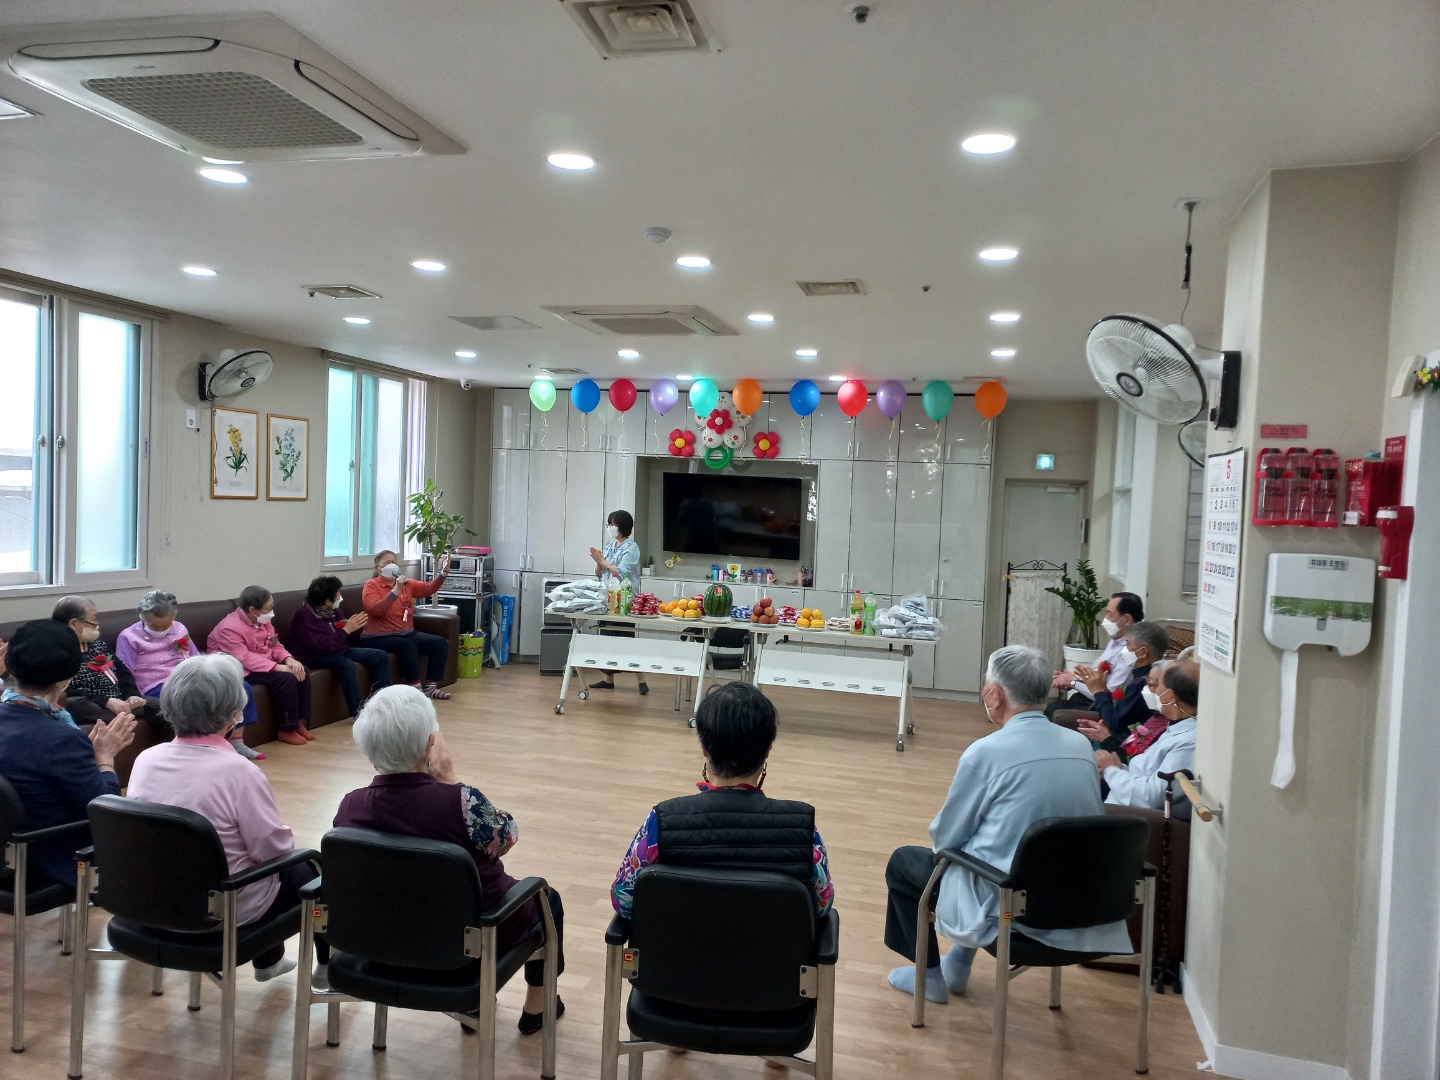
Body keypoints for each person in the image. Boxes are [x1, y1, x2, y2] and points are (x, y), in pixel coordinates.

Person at [883, 644, 1133, 1004]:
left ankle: (930, 977)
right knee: (994, 849)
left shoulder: (986, 752)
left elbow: (946, 839)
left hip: (1014, 905)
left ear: (994, 694)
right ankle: (957, 963)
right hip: (1083, 898)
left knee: (907, 862)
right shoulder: (1080, 746)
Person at [335, 685, 563, 1032]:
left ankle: (473, 1005)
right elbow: (506, 837)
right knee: (549, 899)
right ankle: (537, 1008)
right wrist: (450, 779)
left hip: (382, 936)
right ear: (431, 744)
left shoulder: (350, 806)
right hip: (469, 937)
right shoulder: (461, 802)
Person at [127, 655, 325, 982]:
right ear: (235, 712)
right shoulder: (239, 772)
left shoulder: (146, 759)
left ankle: (271, 959)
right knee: (308, 868)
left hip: (153, 899)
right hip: (220, 909)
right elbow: (272, 850)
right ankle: (326, 968)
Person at [611, 681, 834, 917]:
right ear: (768, 748)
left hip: (682, 941)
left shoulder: (661, 822)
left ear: (704, 748)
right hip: (772, 942)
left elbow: (623, 901)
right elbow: (821, 905)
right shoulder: (802, 828)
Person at [0, 620, 135, 888]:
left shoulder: (58, 736)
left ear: (11, 667)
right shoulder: (62, 738)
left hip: (9, 853)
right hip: (51, 860)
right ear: (66, 679)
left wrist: (84, 754)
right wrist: (104, 758)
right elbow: (104, 809)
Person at [116, 589, 263, 760]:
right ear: (143, 617)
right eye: (155, 626)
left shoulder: (179, 628)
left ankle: (236, 742)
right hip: (155, 685)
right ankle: (202, 749)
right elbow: (124, 671)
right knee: (198, 698)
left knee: (241, 687)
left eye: (166, 625)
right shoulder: (129, 637)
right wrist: (132, 695)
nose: (162, 630)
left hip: (189, 676)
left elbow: (195, 657)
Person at [208, 586, 314, 747]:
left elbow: (274, 643)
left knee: (301, 670)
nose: (272, 612)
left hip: (263, 662)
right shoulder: (228, 628)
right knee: (285, 679)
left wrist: (288, 659)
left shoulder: (263, 620)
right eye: (268, 608)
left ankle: (299, 722)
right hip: (238, 669)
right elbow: (244, 658)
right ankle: (287, 729)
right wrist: (278, 667)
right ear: (253, 610)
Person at [51, 595, 168, 733]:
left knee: (164, 707)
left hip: (120, 699)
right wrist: (106, 701)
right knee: (74, 704)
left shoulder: (98, 644)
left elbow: (122, 671)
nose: (97, 625)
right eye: (93, 620)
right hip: (93, 704)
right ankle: (122, 715)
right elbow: (63, 689)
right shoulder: (58, 652)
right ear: (74, 624)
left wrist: (132, 695)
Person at [1099, 660, 1199, 810]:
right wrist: (1117, 768)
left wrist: (1111, 770)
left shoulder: (1188, 743)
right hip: (1117, 799)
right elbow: (1145, 773)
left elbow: (1151, 796)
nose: (1154, 691)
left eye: (1157, 685)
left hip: (1127, 815)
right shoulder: (1176, 726)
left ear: (1170, 696)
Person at [288, 575, 392, 719]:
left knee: (380, 656)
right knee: (346, 665)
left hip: (338, 650)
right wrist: (346, 630)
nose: (340, 596)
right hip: (313, 656)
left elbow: (344, 635)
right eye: (337, 594)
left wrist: (356, 628)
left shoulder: (333, 610)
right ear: (327, 601)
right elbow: (321, 647)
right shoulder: (304, 616)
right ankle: (358, 713)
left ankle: (384, 705)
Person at [360, 550, 453, 701]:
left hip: (405, 633)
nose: (391, 565)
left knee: (439, 643)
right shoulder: (371, 585)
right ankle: (415, 690)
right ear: (378, 568)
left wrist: (444, 572)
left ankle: (430, 688)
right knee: (406, 645)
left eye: (394, 562)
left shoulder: (406, 583)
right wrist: (396, 590)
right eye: (387, 563)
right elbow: (375, 610)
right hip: (377, 637)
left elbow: (429, 588)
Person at [1047, 592, 1144, 718]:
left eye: (1110, 614)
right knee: (1044, 710)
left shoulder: (1132, 651)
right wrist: (1070, 678)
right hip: (1084, 699)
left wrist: (1074, 682)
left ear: (1126, 619)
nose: (1105, 618)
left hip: (1098, 707)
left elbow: (1109, 694)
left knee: (1050, 714)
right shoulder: (1115, 640)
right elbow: (1095, 675)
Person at [1073, 620, 1169, 741]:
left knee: (1060, 716)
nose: (1124, 649)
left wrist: (1098, 692)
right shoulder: (1142, 676)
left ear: (1143, 652)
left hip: (1120, 740)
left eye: (1127, 643)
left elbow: (1115, 722)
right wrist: (1103, 689)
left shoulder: (1143, 683)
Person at [587, 509, 647, 695]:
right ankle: (608, 679)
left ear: (622, 526)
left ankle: (641, 679)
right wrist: (597, 561)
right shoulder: (609, 545)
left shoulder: (632, 548)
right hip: (607, 599)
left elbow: (621, 571)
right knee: (606, 639)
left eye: (613, 524)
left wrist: (602, 560)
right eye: (609, 524)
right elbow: (600, 573)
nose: (610, 527)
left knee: (626, 641)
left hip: (625, 600)